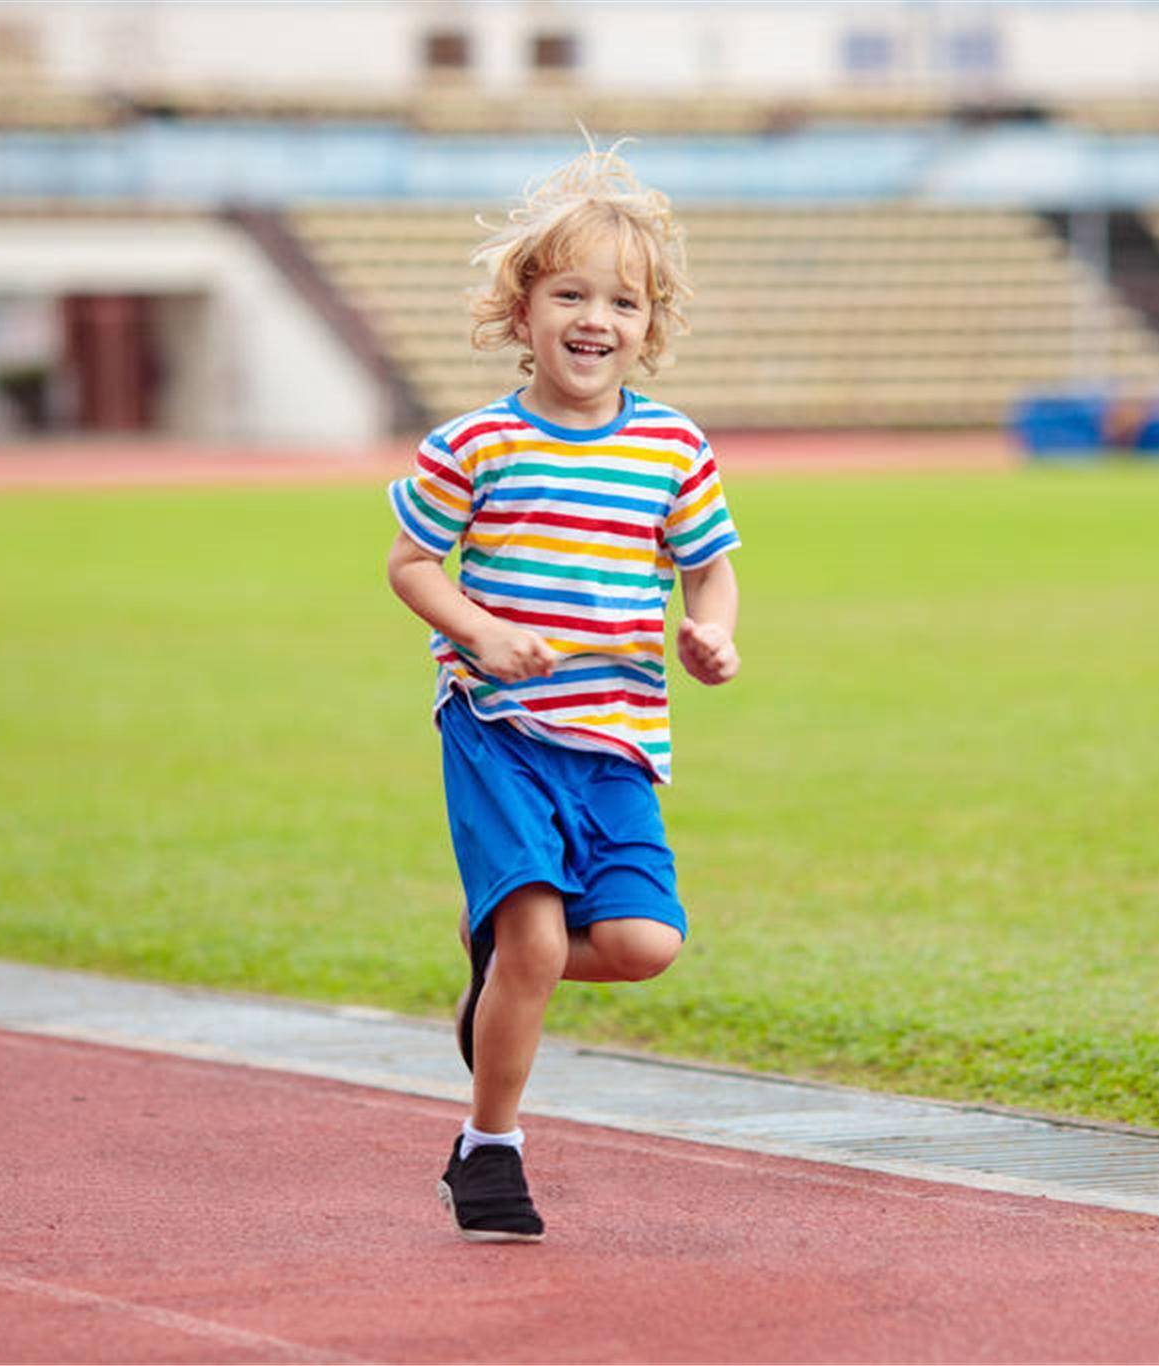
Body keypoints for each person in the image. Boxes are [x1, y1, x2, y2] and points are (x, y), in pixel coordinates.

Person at [385, 141, 741, 1243]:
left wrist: (712, 628)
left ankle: (493, 966)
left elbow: (709, 563)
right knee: (538, 942)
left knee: (641, 946)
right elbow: (410, 565)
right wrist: (481, 632)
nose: (597, 318)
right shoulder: (474, 444)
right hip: (500, 726)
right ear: (523, 307)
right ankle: (487, 1151)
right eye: (570, 293)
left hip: (619, 736)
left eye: (622, 301)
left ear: (649, 324)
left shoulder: (673, 447)